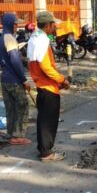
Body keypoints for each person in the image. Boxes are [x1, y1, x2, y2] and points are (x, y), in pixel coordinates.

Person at [27, 11, 70, 162]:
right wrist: (62, 79)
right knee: (48, 120)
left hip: (42, 85)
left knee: (43, 119)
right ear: (47, 25)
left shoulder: (34, 38)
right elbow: (46, 67)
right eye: (53, 25)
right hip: (48, 86)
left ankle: (43, 149)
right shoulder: (42, 40)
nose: (54, 27)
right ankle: (46, 153)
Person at [0, 12, 32, 145]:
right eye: (15, 24)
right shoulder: (10, 39)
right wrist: (24, 79)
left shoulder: (3, 38)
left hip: (5, 78)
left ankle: (11, 133)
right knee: (22, 105)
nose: (16, 26)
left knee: (10, 107)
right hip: (13, 79)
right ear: (10, 24)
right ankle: (18, 135)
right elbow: (14, 61)